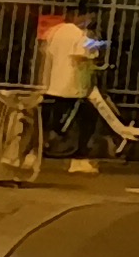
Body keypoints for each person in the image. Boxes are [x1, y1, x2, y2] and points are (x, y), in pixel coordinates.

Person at [37, 10, 104, 165]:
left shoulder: (56, 31)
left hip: (54, 84)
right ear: (79, 16)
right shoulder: (79, 35)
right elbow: (85, 55)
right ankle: (80, 156)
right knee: (87, 118)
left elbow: (47, 52)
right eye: (89, 17)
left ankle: (41, 148)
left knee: (53, 118)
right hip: (73, 87)